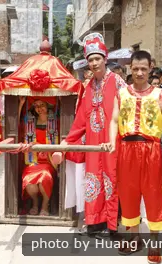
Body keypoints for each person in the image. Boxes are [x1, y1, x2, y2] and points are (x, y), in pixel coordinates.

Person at [105, 50, 162, 264]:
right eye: (135, 68)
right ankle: (133, 236)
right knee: (128, 194)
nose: (139, 72)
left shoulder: (160, 94)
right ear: (130, 69)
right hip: (126, 149)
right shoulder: (122, 93)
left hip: (151, 149)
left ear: (150, 68)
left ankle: (154, 241)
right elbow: (115, 121)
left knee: (154, 194)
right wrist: (111, 141)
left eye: (143, 69)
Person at [55, 33, 126, 238]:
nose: (94, 63)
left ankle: (113, 226)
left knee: (111, 181)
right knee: (93, 181)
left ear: (105, 58)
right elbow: (80, 120)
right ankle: (94, 223)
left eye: (97, 58)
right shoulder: (87, 88)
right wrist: (69, 141)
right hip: (93, 144)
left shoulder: (118, 82)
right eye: (90, 60)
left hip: (113, 142)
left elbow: (127, 113)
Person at [18, 96, 58, 216]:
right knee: (29, 180)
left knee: (44, 177)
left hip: (49, 161)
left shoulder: (56, 122)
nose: (39, 108)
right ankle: (35, 203)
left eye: (42, 105)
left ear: (48, 106)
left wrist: (45, 149)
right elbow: (16, 124)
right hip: (33, 160)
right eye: (36, 106)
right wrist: (21, 104)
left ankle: (45, 204)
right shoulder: (30, 122)